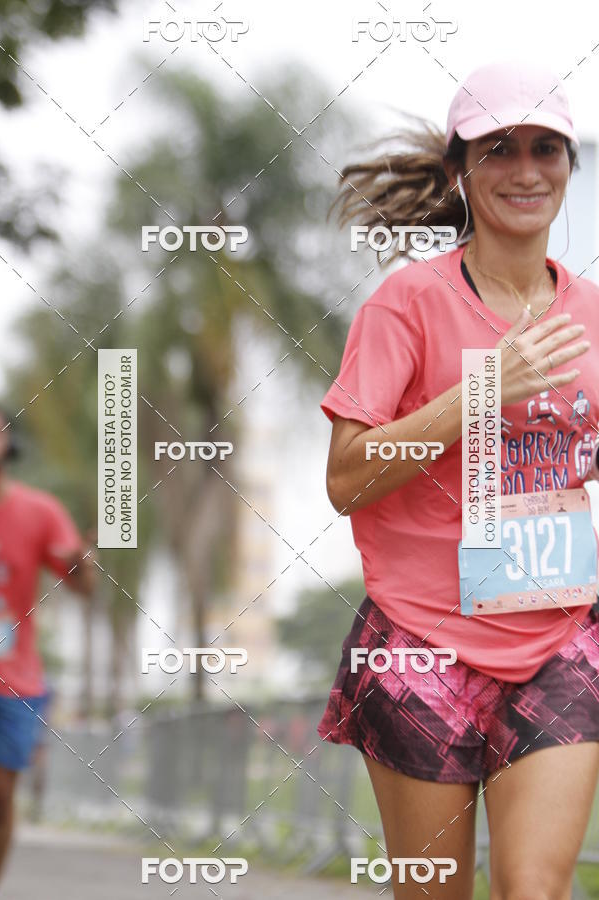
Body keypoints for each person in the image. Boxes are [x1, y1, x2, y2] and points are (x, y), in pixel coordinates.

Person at [318, 60, 599, 899]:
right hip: (419, 642)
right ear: (459, 171)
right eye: (498, 149)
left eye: (546, 148)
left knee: (536, 890)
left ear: (569, 165)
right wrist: (485, 389)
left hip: (555, 634)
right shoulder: (406, 304)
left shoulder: (592, 315)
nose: (525, 170)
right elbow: (345, 478)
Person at [0, 406, 97, 880]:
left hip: (13, 678)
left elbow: (82, 585)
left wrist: (81, 565)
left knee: (1, 793)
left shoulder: (40, 511)